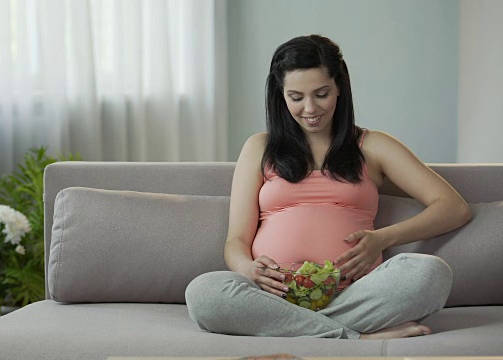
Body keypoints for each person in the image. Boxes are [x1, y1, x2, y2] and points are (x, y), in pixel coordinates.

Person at [185, 34, 471, 339]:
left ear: (339, 89)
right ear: (280, 95)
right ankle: (352, 337)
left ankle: (308, 330)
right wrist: (247, 269)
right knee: (203, 293)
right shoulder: (259, 148)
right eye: (296, 97)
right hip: (272, 297)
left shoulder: (373, 146)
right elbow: (236, 241)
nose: (310, 108)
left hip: (354, 294)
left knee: (431, 273)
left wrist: (381, 239)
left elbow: (454, 207)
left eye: (321, 94)